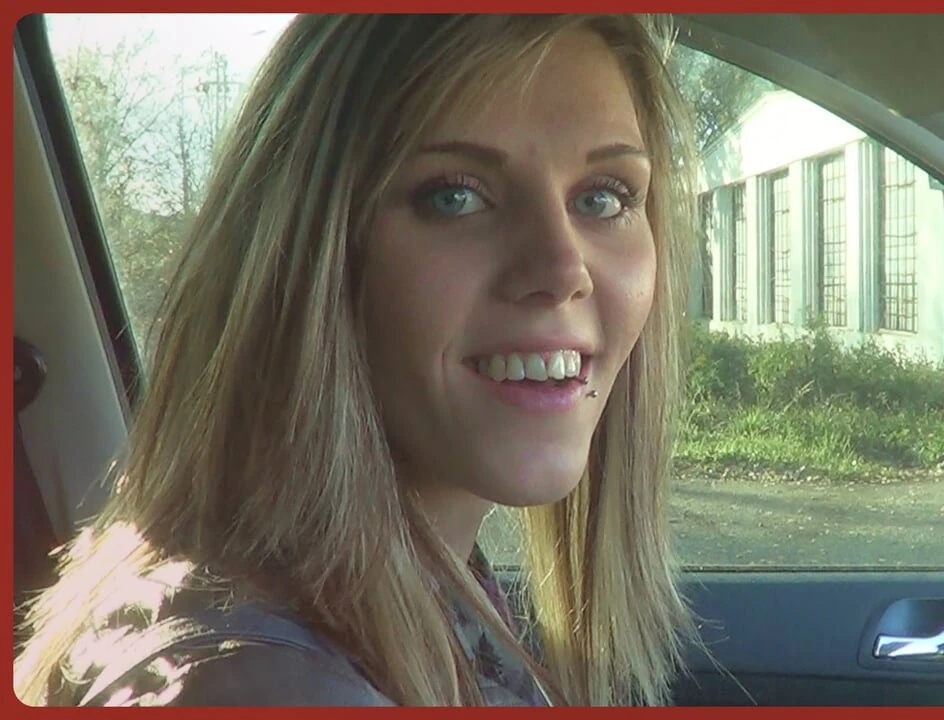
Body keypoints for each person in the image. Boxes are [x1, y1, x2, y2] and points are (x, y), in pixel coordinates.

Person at [15, 13, 701, 706]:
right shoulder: (265, 683)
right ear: (307, 254)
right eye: (455, 197)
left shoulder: (413, 600)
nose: (560, 269)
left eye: (604, 197)